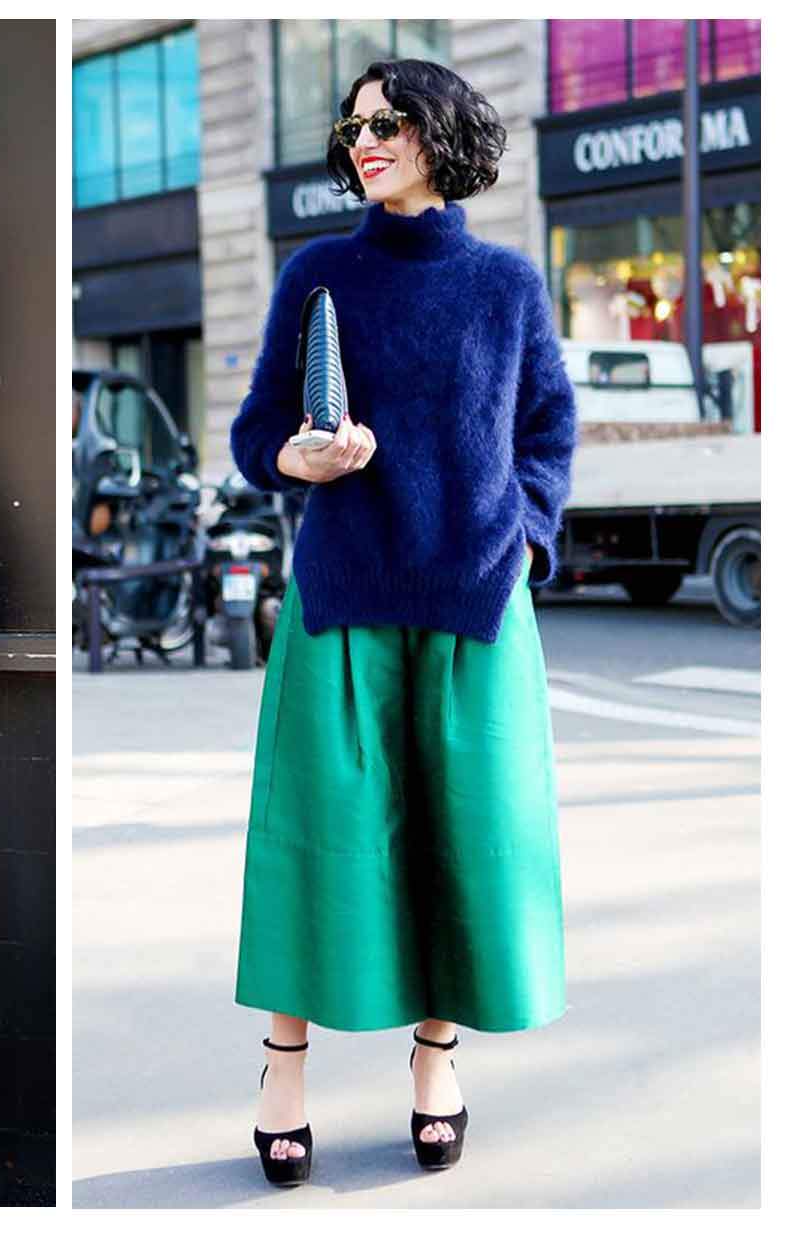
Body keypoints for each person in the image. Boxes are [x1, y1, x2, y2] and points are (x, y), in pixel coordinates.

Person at [230, 58, 577, 1184]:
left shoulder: (508, 286)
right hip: (343, 599)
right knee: (317, 843)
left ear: (444, 132)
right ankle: (283, 1066)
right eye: (355, 125)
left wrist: (524, 535)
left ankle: (437, 1058)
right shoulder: (320, 273)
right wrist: (296, 456)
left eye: (390, 121)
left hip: (474, 602)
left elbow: (547, 427)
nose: (365, 140)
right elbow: (254, 431)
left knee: (459, 840)